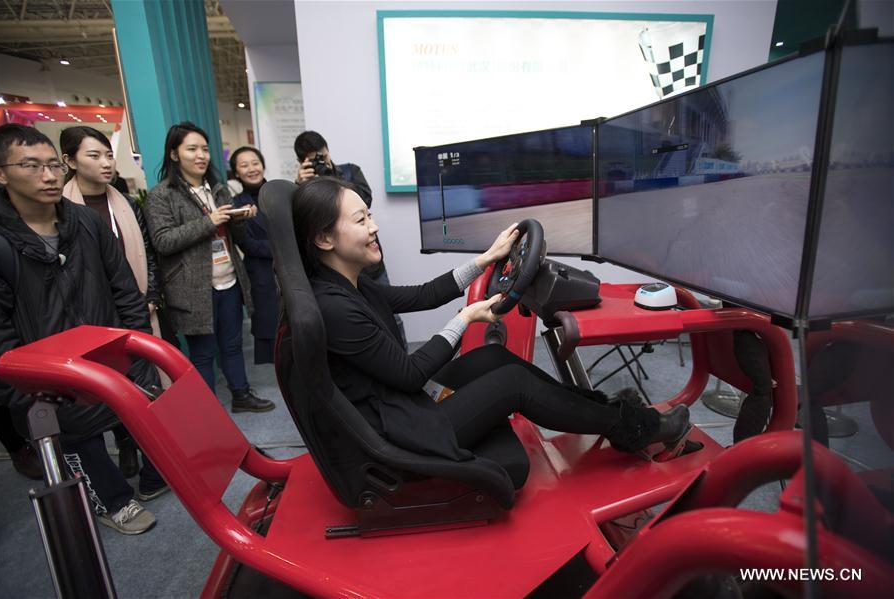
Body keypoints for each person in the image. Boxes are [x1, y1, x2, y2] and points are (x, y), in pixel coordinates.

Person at [292, 177, 691, 468]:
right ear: (324, 239)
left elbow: (424, 294)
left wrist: (485, 259)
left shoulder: (348, 285)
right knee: (513, 384)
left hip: (397, 407)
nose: (374, 227)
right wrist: (466, 317)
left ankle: (602, 409)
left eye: (370, 216)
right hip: (398, 435)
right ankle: (635, 426)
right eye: (361, 221)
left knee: (493, 359)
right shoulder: (336, 308)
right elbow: (411, 374)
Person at [0, 123, 161, 534]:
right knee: (77, 440)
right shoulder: (0, 242)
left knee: (139, 414)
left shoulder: (86, 222)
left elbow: (125, 288)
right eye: (31, 166)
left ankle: (150, 477)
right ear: (0, 174)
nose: (48, 176)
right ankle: (113, 500)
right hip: (48, 371)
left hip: (107, 351)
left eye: (52, 164)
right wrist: (22, 392)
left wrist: (136, 348)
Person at [59, 125, 168, 479]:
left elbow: (147, 251)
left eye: (108, 155)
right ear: (69, 161)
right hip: (90, 315)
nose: (106, 163)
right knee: (101, 386)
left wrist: (150, 294)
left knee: (138, 381)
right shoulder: (62, 210)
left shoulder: (121, 200)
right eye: (94, 155)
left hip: (132, 305)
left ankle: (143, 449)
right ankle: (124, 445)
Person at [144, 122, 274, 413]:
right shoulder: (161, 195)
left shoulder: (217, 190)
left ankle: (241, 394)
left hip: (228, 279)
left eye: (204, 149)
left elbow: (235, 237)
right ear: (174, 154)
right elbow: (163, 241)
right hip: (192, 289)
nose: (201, 155)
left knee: (232, 345)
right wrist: (209, 221)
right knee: (203, 354)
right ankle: (208, 409)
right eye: (192, 149)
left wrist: (242, 218)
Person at [294, 130, 405, 343]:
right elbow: (304, 220)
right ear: (302, 161)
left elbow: (365, 200)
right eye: (313, 158)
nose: (320, 160)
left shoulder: (350, 172)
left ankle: (399, 355)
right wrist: (302, 185)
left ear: (327, 150)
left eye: (322, 155)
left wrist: (330, 181)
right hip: (339, 268)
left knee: (391, 314)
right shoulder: (305, 186)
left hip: (369, 262)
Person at [229, 146, 276, 364]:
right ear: (236, 172)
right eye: (244, 165)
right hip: (261, 275)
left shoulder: (280, 192)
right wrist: (282, 248)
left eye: (255, 162)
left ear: (263, 164)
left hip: (291, 270)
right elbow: (246, 244)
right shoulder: (236, 204)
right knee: (272, 333)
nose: (252, 169)